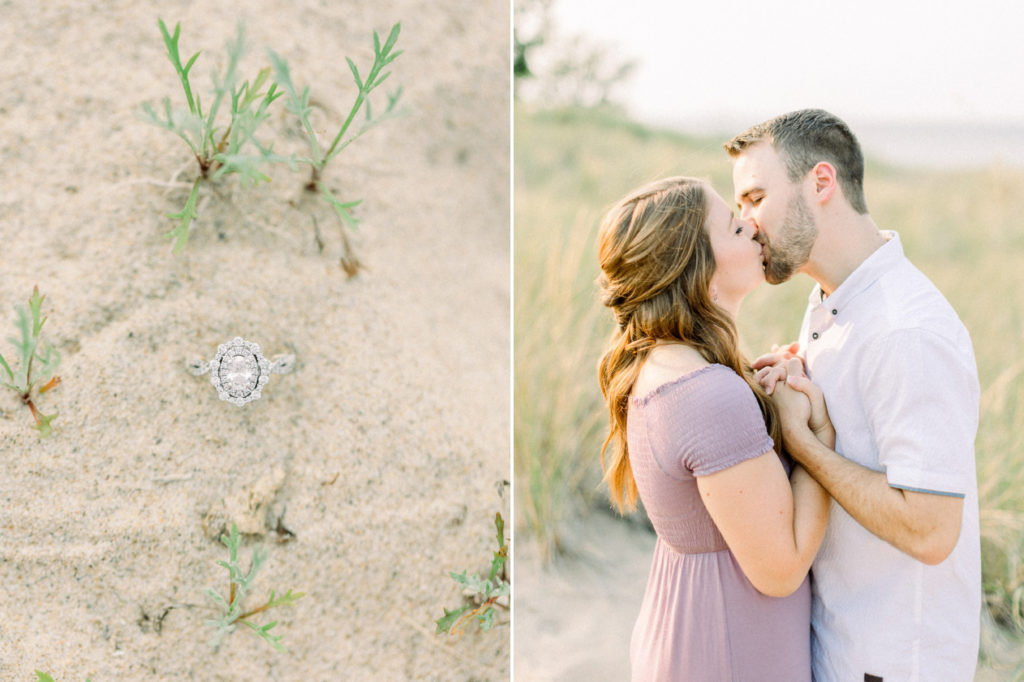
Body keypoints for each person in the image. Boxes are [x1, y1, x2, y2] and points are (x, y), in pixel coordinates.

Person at [724, 108, 981, 681]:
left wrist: (807, 446)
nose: (747, 223)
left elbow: (931, 530)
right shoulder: (830, 298)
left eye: (755, 198)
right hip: (839, 640)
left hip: (892, 662)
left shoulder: (906, 331)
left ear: (821, 183)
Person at [596, 176, 833, 681]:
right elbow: (781, 569)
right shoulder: (705, 394)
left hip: (696, 633)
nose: (751, 225)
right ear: (699, 272)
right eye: (732, 224)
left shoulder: (668, 366)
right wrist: (815, 440)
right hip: (728, 651)